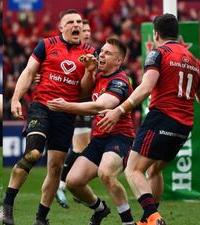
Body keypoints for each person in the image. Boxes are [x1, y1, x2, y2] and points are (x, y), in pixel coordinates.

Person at [97, 14, 200, 225]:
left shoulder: (158, 53)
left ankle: (153, 216)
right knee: (154, 169)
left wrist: (120, 110)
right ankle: (146, 219)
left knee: (133, 169)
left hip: (161, 118)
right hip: (184, 126)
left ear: (156, 34)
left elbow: (146, 88)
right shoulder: (194, 60)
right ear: (177, 34)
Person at [3, 9, 96, 225]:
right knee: (34, 153)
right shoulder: (46, 45)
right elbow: (28, 71)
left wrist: (90, 71)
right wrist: (16, 98)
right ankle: (7, 206)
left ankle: (41, 218)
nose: (76, 25)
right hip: (41, 107)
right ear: (61, 27)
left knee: (55, 167)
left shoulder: (90, 52)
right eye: (71, 22)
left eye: (79, 22)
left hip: (66, 114)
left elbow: (82, 92)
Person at [48, 38, 135, 225]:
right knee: (73, 181)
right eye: (102, 51)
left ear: (118, 61)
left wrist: (67, 106)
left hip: (120, 137)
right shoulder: (98, 77)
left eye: (108, 53)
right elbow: (80, 90)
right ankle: (100, 209)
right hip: (99, 139)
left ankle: (128, 222)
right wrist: (88, 70)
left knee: (106, 173)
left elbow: (101, 105)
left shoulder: (119, 81)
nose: (101, 55)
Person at [55, 19, 95, 209]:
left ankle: (72, 185)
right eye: (83, 30)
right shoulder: (74, 53)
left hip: (87, 104)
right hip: (75, 104)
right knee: (80, 146)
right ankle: (63, 185)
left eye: (88, 30)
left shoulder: (91, 53)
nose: (86, 33)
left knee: (82, 146)